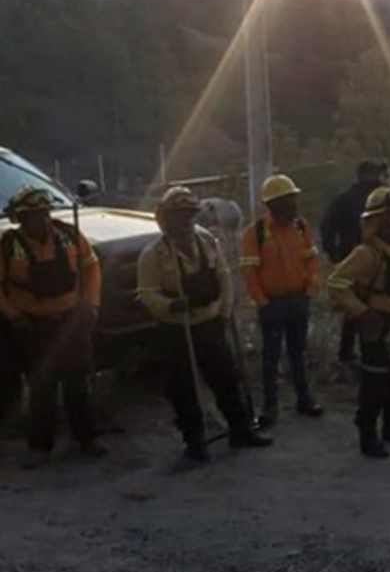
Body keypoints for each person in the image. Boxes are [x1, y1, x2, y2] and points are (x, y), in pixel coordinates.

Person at [137, 187, 273, 461]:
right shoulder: (153, 255)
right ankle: (194, 440)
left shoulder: (208, 243)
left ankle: (241, 430)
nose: (185, 221)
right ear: (165, 219)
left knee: (226, 380)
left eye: (189, 215)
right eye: (178, 216)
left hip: (210, 324)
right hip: (177, 330)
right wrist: (170, 305)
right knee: (183, 388)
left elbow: (224, 279)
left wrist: (223, 315)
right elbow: (147, 294)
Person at [0, 185, 104, 466]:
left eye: (44, 213)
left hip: (71, 321)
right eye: (33, 215)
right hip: (31, 326)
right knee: (41, 387)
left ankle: (87, 438)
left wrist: (90, 303)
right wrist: (13, 315)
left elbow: (91, 266)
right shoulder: (8, 246)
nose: (41, 220)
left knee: (77, 382)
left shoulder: (69, 235)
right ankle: (40, 447)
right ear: (20, 218)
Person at [327, 185, 390, 458]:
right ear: (378, 220)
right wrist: (361, 311)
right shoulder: (366, 254)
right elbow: (336, 283)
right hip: (374, 322)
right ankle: (367, 433)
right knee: (375, 380)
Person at [239, 173, 324, 427]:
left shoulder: (301, 227)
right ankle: (270, 408)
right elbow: (249, 273)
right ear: (272, 204)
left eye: (294, 199)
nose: (293, 205)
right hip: (272, 304)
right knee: (271, 356)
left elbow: (311, 261)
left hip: (298, 299)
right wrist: (263, 303)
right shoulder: (255, 233)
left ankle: (304, 400)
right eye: (287, 200)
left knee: (298, 353)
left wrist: (309, 290)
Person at [320, 159, 390, 367]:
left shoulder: (380, 196)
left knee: (375, 305)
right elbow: (327, 224)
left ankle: (366, 353)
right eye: (373, 174)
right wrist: (333, 252)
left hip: (377, 259)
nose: (376, 178)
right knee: (355, 308)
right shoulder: (348, 199)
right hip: (353, 258)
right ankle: (348, 356)